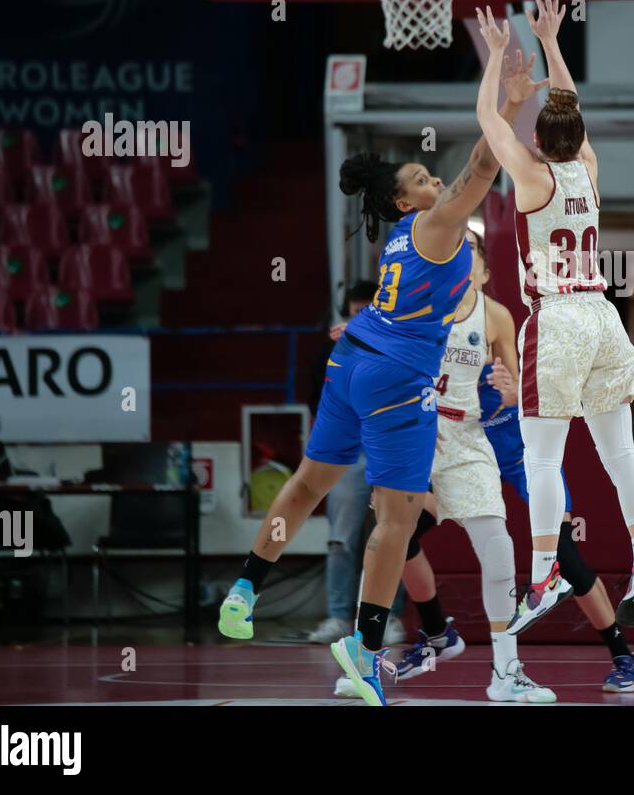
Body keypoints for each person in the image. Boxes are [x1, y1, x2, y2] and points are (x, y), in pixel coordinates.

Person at [217, 50, 544, 708]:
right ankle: (365, 651)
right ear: (407, 199)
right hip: (396, 375)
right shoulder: (434, 223)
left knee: (311, 482)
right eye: (424, 177)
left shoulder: (398, 232)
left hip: (351, 358)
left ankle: (246, 586)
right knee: (392, 520)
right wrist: (507, 103)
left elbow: (470, 175)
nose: (435, 181)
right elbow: (483, 166)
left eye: (431, 175)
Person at [334, 231, 634, 696]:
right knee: (393, 535)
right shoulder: (418, 305)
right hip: (431, 434)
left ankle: (621, 655)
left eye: (472, 256)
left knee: (562, 552)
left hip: (503, 438)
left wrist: (509, 390)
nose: (461, 262)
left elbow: (528, 394)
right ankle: (427, 635)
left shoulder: (498, 317)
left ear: (483, 272)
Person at [473, 0, 634, 635]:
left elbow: (485, 120)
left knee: (542, 461)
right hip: (604, 317)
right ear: (577, 137)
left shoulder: (531, 176)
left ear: (536, 139)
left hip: (555, 322)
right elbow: (569, 109)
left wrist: (500, 57)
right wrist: (552, 42)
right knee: (619, 454)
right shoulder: (588, 171)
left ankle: (545, 572)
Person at [304, 280, 407, 648]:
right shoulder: (332, 350)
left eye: (369, 308)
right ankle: (338, 615)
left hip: (390, 445)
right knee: (341, 539)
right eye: (355, 309)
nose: (360, 315)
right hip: (349, 450)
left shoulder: (402, 343)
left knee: (391, 534)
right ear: (346, 310)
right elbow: (318, 406)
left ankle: (390, 616)